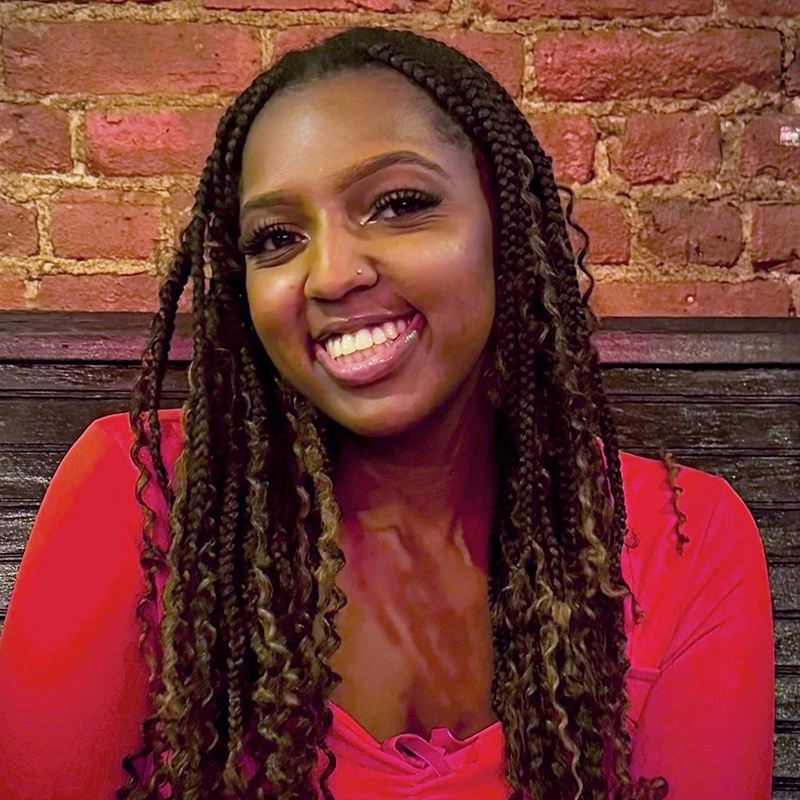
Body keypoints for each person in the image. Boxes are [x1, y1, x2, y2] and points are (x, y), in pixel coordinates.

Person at [0, 26, 774, 800]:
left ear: (506, 226)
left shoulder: (684, 540)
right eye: (276, 238)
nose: (330, 274)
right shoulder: (142, 497)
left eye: (400, 204)